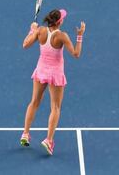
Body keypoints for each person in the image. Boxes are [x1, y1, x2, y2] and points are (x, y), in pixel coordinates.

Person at [20, 9, 86, 155]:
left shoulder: (40, 31)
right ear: (60, 21)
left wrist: (32, 30)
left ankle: (25, 133)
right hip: (55, 74)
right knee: (55, 107)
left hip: (41, 71)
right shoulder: (62, 36)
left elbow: (25, 44)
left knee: (34, 102)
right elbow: (76, 54)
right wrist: (80, 36)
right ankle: (48, 140)